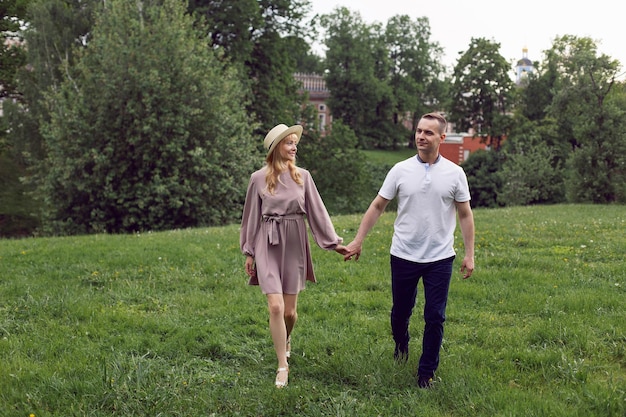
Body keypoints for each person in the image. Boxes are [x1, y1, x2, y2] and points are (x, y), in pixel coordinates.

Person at [343, 112, 475, 389]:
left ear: (441, 137)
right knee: (401, 311)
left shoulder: (455, 173)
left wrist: (469, 253)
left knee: (435, 316)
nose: (420, 136)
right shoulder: (400, 170)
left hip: (440, 257)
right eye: (418, 131)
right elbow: (378, 205)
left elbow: (465, 214)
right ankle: (401, 345)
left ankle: (426, 373)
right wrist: (358, 240)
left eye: (428, 132)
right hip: (403, 254)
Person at [240, 123, 348, 389]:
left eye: (294, 142)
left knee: (290, 312)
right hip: (268, 241)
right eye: (288, 142)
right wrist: (249, 251)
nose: (294, 146)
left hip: (294, 241)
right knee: (275, 307)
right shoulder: (257, 178)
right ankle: (282, 365)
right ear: (276, 148)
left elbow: (317, 212)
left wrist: (334, 244)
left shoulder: (303, 176)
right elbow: (251, 218)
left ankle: (287, 338)